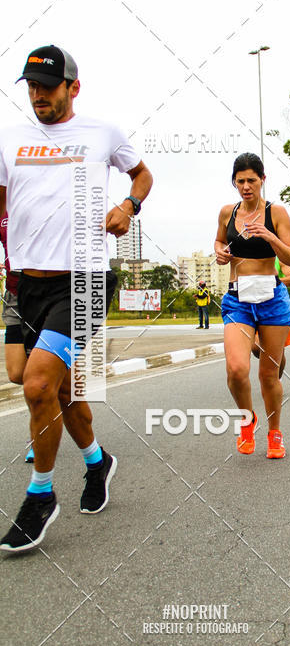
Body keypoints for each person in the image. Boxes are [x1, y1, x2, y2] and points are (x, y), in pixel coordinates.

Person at [0, 44, 153, 553]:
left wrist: (128, 205)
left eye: (48, 86)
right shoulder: (12, 138)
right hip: (24, 283)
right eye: (31, 86)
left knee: (39, 384)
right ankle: (97, 461)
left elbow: (142, 174)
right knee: (42, 385)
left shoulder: (101, 133)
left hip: (82, 280)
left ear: (73, 87)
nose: (38, 95)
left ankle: (40, 495)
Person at [215, 153, 290, 459]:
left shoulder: (276, 213)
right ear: (234, 182)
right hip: (238, 300)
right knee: (237, 369)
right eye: (240, 181)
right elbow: (218, 242)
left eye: (252, 180)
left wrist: (269, 236)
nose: (246, 186)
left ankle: (275, 433)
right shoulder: (227, 212)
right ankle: (247, 422)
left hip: (272, 300)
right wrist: (222, 252)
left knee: (268, 375)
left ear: (263, 180)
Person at [0, 213, 32, 460]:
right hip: (13, 297)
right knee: (17, 373)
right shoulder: (2, 209)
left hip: (46, 295)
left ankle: (38, 436)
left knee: (37, 380)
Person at [251, 257, 290, 378]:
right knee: (256, 348)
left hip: (277, 309)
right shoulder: (245, 256)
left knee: (278, 352)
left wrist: (272, 282)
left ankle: (276, 380)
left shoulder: (278, 259)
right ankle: (271, 373)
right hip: (251, 306)